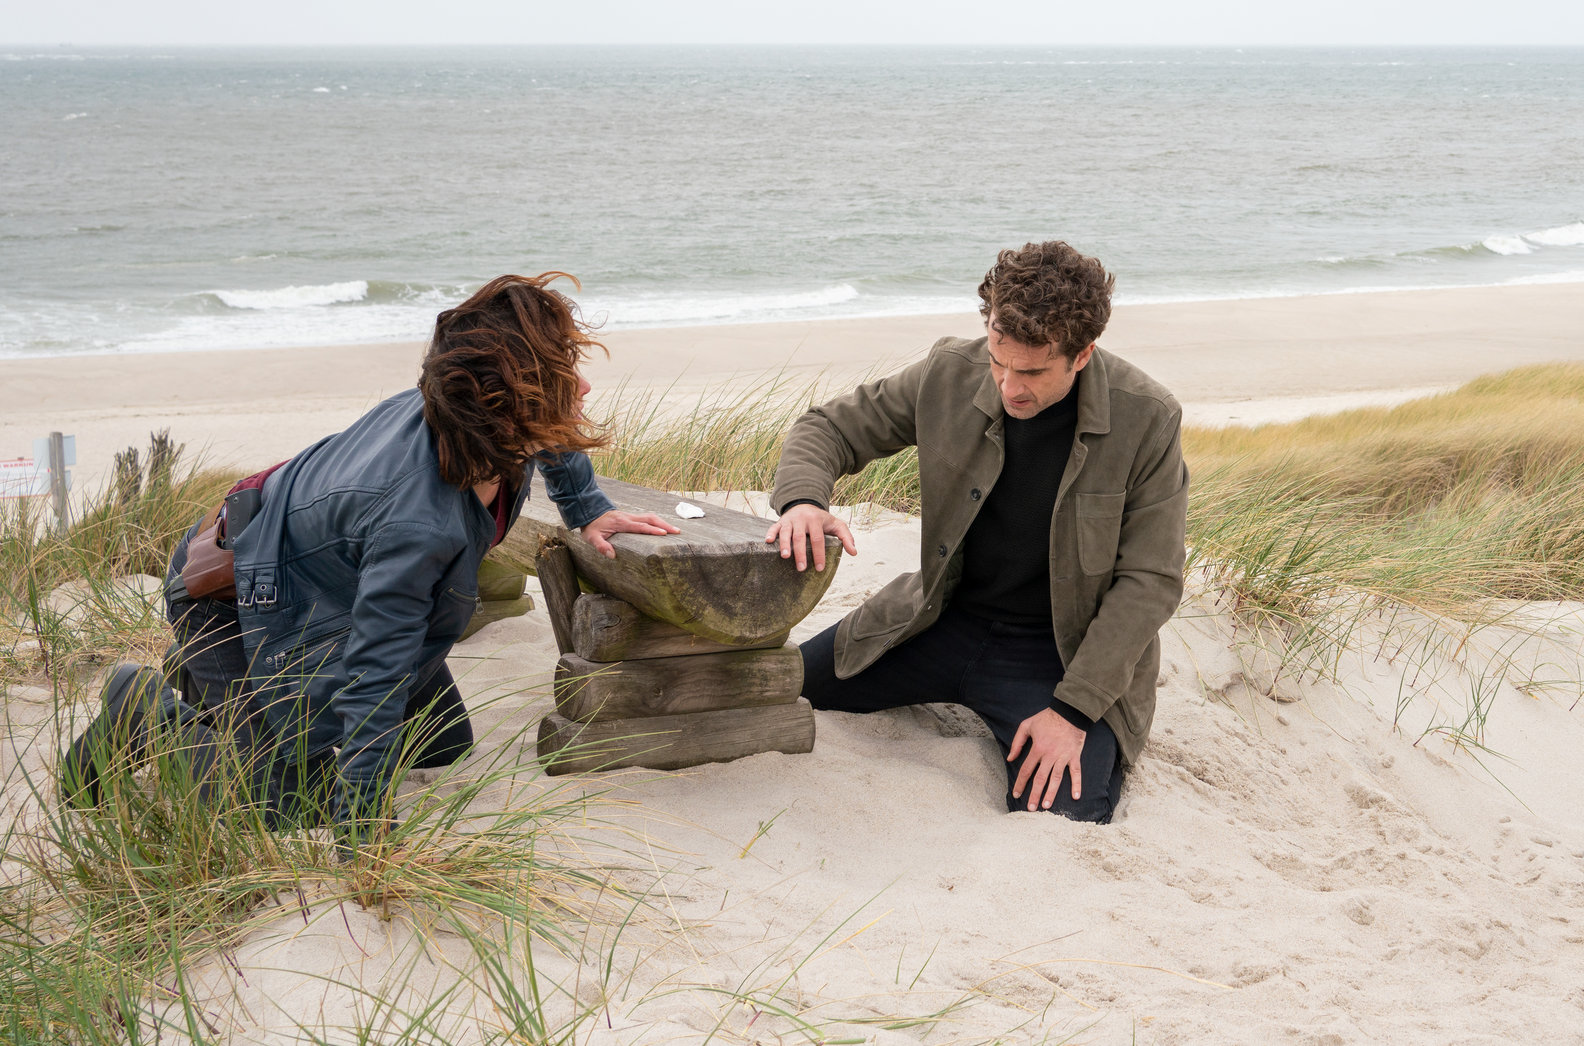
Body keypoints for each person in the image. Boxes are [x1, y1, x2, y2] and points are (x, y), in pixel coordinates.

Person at [60, 272, 678, 832]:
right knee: (281, 806)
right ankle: (144, 708)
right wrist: (363, 830)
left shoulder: (480, 421)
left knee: (440, 744)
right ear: (503, 408)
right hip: (237, 594)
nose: (585, 386)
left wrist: (587, 509)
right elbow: (376, 673)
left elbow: (554, 431)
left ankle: (207, 680)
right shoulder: (417, 520)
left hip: (328, 580)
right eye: (559, 377)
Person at [767, 241, 1187, 824]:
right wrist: (804, 502)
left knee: (1063, 815)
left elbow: (1152, 581)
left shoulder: (1148, 416)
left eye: (1033, 371)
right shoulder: (948, 370)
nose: (1008, 385)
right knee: (774, 690)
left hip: (1057, 655)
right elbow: (829, 428)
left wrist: (1072, 712)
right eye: (998, 358)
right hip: (936, 620)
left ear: (1083, 353)